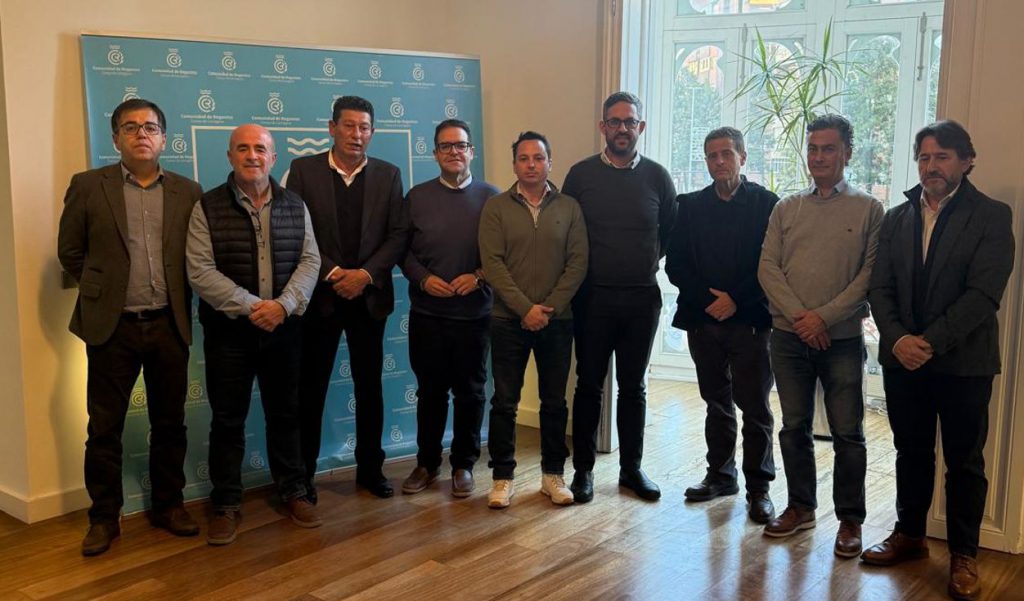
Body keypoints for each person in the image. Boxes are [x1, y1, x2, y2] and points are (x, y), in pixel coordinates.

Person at [863, 120, 1014, 601]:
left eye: (942, 156)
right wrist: (897, 339)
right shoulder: (897, 217)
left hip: (963, 363)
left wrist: (926, 342)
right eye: (924, 157)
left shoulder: (991, 215)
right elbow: (879, 287)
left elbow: (983, 294)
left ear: (967, 161)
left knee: (965, 462)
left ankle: (964, 555)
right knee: (910, 452)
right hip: (902, 361)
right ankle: (910, 534)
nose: (931, 166)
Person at [58, 99, 202, 556]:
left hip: (168, 325)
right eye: (131, 127)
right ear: (116, 137)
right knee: (104, 428)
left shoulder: (187, 191)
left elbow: (197, 256)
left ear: (164, 138)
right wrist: (102, 292)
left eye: (151, 127)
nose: (142, 134)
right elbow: (70, 251)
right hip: (112, 328)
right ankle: (104, 518)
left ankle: (169, 505)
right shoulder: (88, 185)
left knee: (170, 423)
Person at [187, 124, 321, 545]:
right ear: (230, 156)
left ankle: (294, 491)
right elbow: (200, 270)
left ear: (273, 157)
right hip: (230, 333)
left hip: (284, 330)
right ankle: (226, 503)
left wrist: (282, 306)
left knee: (286, 415)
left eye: (260, 149)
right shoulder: (206, 206)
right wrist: (253, 306)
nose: (252, 156)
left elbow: (310, 261)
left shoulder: (295, 204)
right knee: (228, 420)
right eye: (242, 148)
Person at [757, 114, 884, 558]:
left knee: (848, 432)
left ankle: (850, 519)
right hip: (788, 338)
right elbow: (767, 268)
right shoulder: (786, 208)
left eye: (828, 149)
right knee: (794, 427)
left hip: (842, 340)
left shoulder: (869, 209)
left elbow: (869, 276)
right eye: (813, 148)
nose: (819, 157)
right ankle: (800, 507)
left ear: (847, 153)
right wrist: (802, 319)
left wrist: (823, 319)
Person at [286, 96, 408, 500]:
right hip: (321, 297)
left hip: (369, 297)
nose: (357, 134)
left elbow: (398, 235)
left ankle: (370, 470)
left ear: (372, 132)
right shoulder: (303, 171)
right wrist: (335, 273)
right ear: (332, 127)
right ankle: (302, 476)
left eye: (364, 127)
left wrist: (365, 275)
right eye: (349, 126)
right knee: (310, 389)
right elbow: (295, 231)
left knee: (370, 388)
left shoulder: (389, 174)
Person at [563, 91, 676, 503]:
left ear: (640, 127)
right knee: (589, 385)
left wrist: (641, 261)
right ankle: (583, 471)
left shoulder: (658, 177)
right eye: (615, 121)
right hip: (592, 299)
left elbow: (668, 233)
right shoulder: (580, 176)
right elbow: (567, 231)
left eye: (630, 121)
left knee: (633, 388)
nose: (622, 128)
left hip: (641, 299)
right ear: (603, 127)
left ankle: (631, 470)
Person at [666, 126, 778, 523]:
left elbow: (771, 263)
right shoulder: (690, 206)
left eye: (726, 154)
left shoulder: (766, 204)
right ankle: (720, 475)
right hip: (704, 320)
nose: (719, 161)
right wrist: (708, 300)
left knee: (755, 406)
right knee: (716, 402)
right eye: (712, 155)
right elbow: (676, 264)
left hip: (751, 320)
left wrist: (736, 300)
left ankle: (759, 489)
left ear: (742, 157)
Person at [478, 131, 588, 508]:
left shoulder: (570, 208)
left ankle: (553, 475)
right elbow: (493, 264)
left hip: (557, 321)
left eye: (538, 158)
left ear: (549, 163)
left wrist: (548, 308)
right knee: (504, 402)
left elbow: (578, 263)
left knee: (554, 401)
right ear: (514, 165)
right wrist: (525, 308)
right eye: (523, 158)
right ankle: (502, 477)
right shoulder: (496, 208)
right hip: (507, 320)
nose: (531, 165)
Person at [399, 119, 499, 497]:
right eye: (446, 146)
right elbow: (402, 251)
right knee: (430, 392)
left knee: (471, 393)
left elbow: (505, 252)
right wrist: (423, 279)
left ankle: (463, 465)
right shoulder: (416, 197)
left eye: (460, 145)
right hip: (428, 315)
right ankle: (427, 463)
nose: (454, 152)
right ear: (435, 153)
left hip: (475, 315)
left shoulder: (493, 198)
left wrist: (479, 276)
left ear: (471, 151)